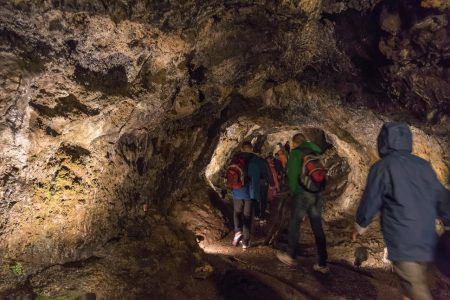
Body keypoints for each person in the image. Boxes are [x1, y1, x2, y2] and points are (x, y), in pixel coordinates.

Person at [352, 122, 447, 300]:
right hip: (428, 239)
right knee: (417, 285)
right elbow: (441, 196)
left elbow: (372, 199)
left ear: (383, 142)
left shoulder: (383, 167)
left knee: (416, 289)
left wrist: (360, 226)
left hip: (403, 241)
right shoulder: (423, 166)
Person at [276, 133, 329, 274]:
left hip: (303, 194)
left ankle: (290, 255)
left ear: (294, 143)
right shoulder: (316, 152)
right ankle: (323, 263)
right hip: (317, 194)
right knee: (318, 227)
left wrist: (294, 192)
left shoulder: (296, 153)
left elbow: (292, 176)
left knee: (295, 223)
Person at [230, 141, 263, 249]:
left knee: (237, 213)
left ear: (242, 148)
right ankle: (245, 241)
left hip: (237, 191)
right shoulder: (255, 159)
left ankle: (238, 231)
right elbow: (257, 177)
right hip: (249, 193)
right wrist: (257, 195)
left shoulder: (235, 157)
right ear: (251, 149)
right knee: (247, 217)